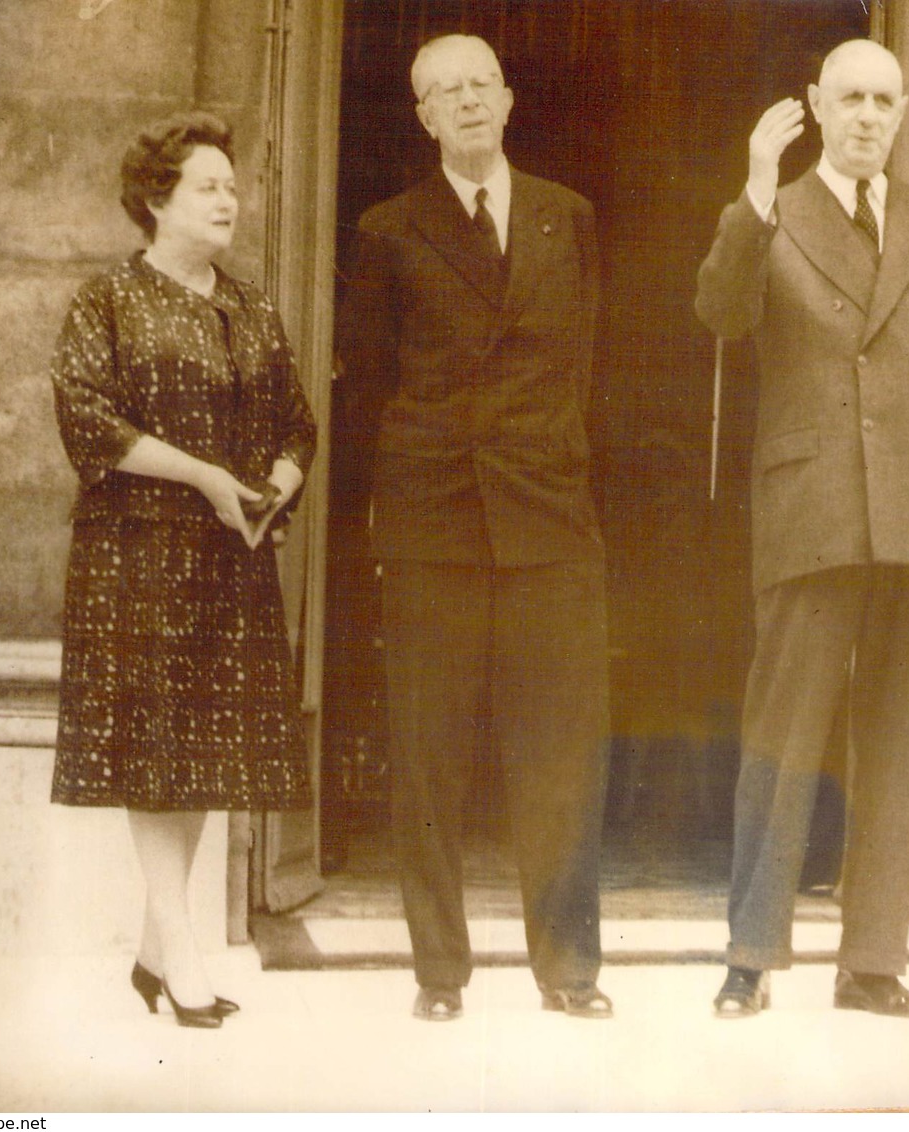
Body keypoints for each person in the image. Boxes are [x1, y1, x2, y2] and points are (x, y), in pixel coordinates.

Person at [695, 39, 909, 1019]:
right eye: (849, 98)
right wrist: (753, 191)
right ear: (816, 104)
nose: (866, 115)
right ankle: (750, 952)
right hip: (813, 508)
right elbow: (723, 314)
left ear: (901, 114)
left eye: (882, 101)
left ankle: (872, 963)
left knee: (899, 743)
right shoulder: (773, 213)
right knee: (781, 738)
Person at [336, 34, 612, 1022]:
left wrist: (559, 475)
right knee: (429, 753)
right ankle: (438, 972)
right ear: (420, 117)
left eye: (479, 84)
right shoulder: (389, 230)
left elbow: (587, 370)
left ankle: (569, 968)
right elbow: (366, 389)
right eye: (441, 91)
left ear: (509, 97)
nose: (464, 102)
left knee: (560, 753)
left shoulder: (565, 218)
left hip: (547, 520)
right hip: (433, 524)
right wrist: (383, 519)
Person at [49, 112, 317, 1028]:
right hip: (136, 558)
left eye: (233, 188)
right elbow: (88, 418)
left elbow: (296, 425)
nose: (228, 201)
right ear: (157, 200)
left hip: (229, 559)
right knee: (153, 756)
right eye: (208, 187)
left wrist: (269, 492)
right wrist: (205, 476)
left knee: (202, 758)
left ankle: (156, 954)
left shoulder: (251, 307)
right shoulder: (108, 301)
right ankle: (184, 953)